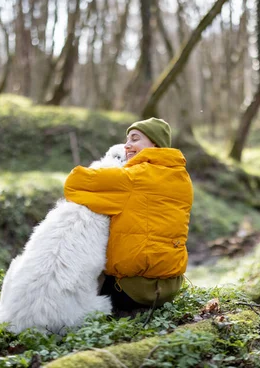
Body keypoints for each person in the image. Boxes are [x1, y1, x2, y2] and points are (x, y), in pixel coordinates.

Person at [63, 117, 194, 312]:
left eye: (134, 139)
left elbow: (75, 183)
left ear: (155, 143)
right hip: (170, 287)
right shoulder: (183, 177)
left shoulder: (133, 177)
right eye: (127, 140)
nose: (127, 146)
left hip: (133, 290)